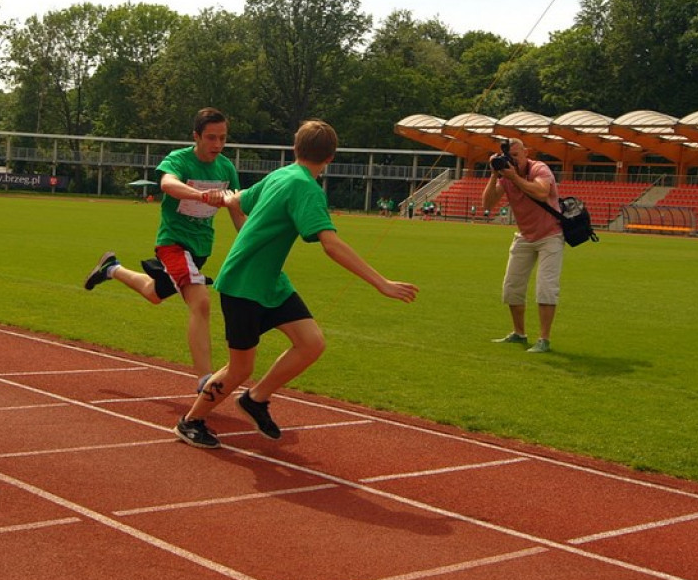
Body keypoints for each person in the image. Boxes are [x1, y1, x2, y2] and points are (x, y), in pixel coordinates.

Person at [173, 119, 419, 448]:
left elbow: (242, 199)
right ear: (331, 157)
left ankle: (255, 399)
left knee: (311, 342)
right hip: (243, 283)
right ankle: (190, 421)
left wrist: (229, 198)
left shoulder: (282, 174)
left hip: (271, 283)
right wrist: (381, 283)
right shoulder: (305, 188)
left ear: (294, 147)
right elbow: (331, 245)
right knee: (240, 368)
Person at [83, 107, 246, 390]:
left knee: (154, 293)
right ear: (196, 136)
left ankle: (111, 269)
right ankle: (205, 380)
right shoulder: (179, 160)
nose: (218, 144)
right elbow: (168, 184)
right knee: (201, 302)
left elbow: (236, 208)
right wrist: (202, 195)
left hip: (200, 249)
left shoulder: (226, 168)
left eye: (222, 138)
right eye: (211, 138)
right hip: (173, 244)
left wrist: (251, 242)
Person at [480, 138, 563, 354]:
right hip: (525, 235)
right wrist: (494, 175)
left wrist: (514, 177)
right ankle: (519, 333)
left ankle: (544, 339)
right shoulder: (506, 176)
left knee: (546, 288)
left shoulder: (539, 169)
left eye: (516, 155)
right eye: (509, 156)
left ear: (526, 152)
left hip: (550, 235)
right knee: (512, 286)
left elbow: (542, 192)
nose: (513, 160)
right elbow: (487, 204)